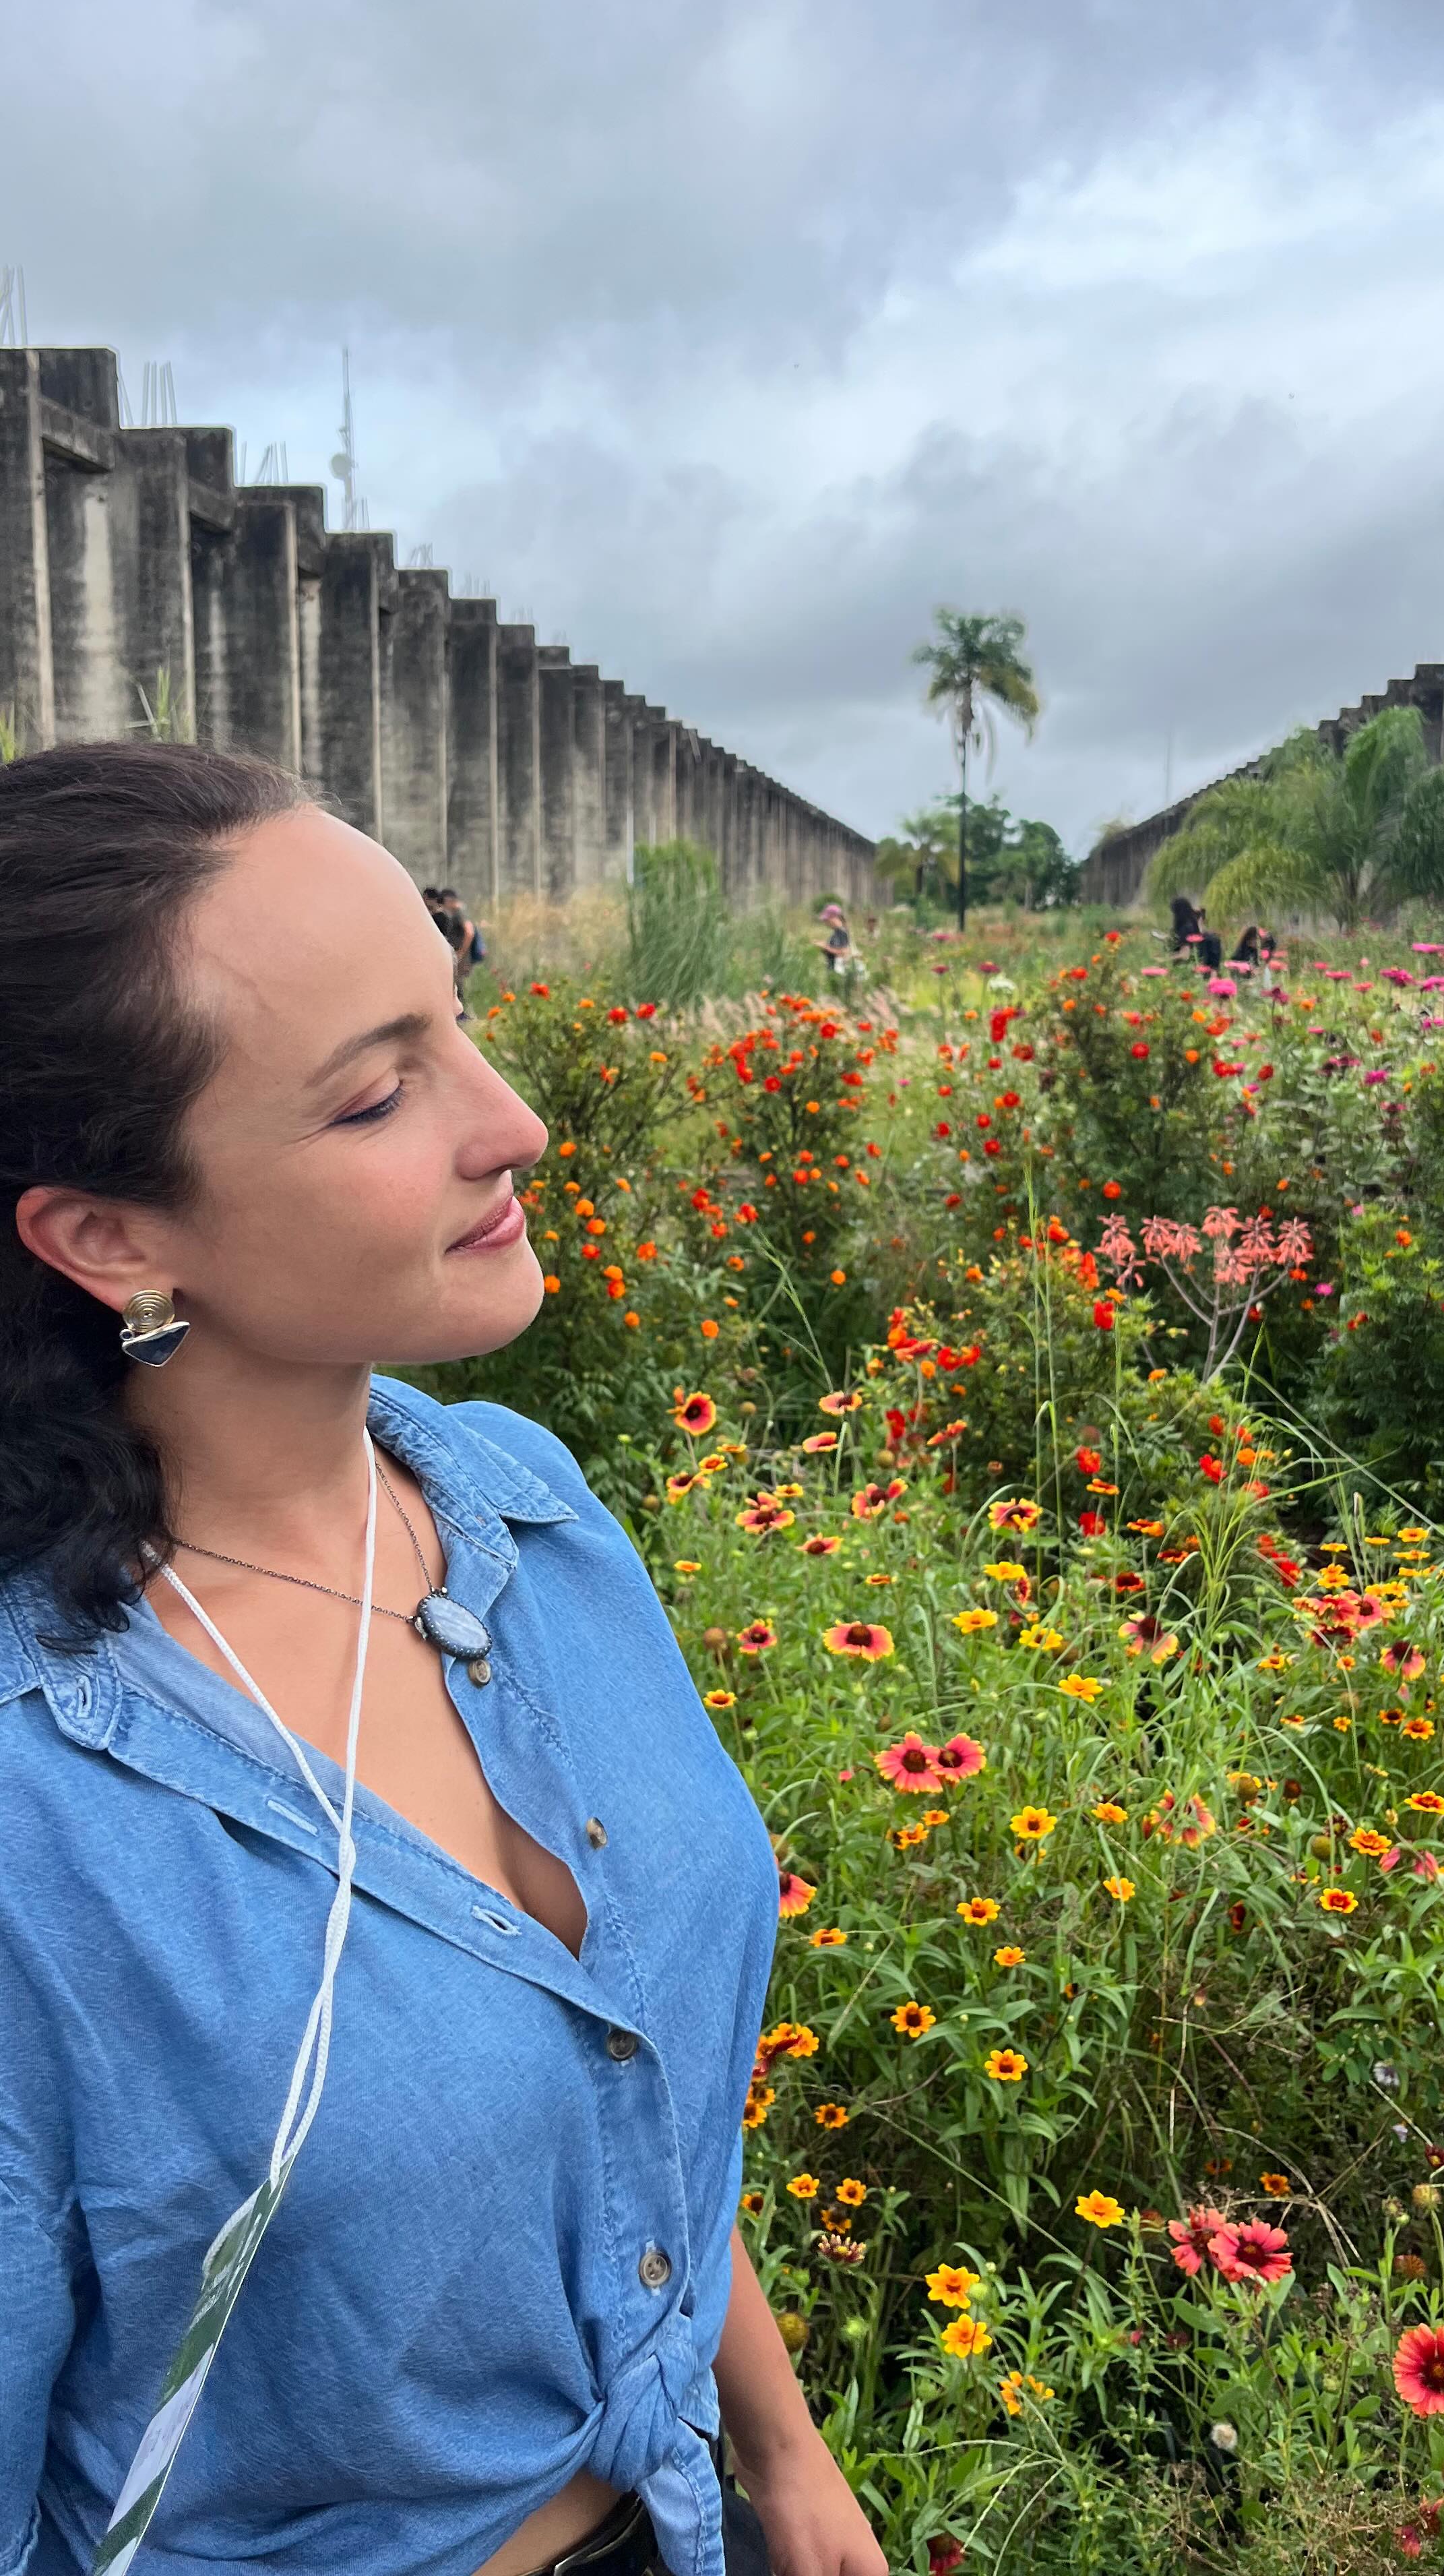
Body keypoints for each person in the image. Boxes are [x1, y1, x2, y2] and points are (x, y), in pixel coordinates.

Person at [0, 743, 885, 2576]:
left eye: (456, 1012)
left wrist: (780, 2458)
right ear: (110, 1237)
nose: (513, 1125)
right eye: (374, 1097)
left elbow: (623, 2065)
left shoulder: (519, 1511)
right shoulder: (39, 1791)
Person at [817, 903, 851, 979]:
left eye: (827, 920)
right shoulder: (836, 933)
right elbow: (835, 951)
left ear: (834, 918)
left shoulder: (842, 932)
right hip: (833, 973)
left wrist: (825, 947)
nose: (825, 923)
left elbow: (844, 952)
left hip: (839, 975)